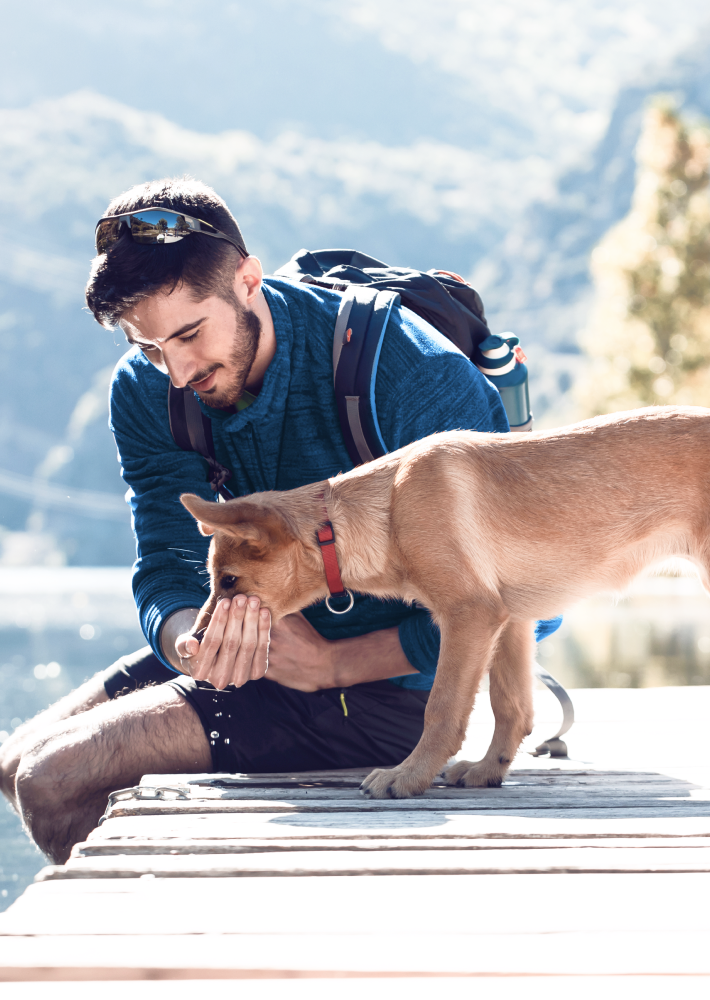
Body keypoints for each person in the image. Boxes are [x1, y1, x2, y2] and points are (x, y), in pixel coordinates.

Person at [5, 178, 560, 863]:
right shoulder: (150, 390)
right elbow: (166, 562)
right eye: (149, 347)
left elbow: (537, 593)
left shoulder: (401, 368)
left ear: (246, 279)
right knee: (14, 768)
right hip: (256, 665)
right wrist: (191, 642)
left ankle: (168, 947)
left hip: (386, 695)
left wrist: (334, 662)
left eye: (188, 335)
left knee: (53, 779)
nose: (176, 372)